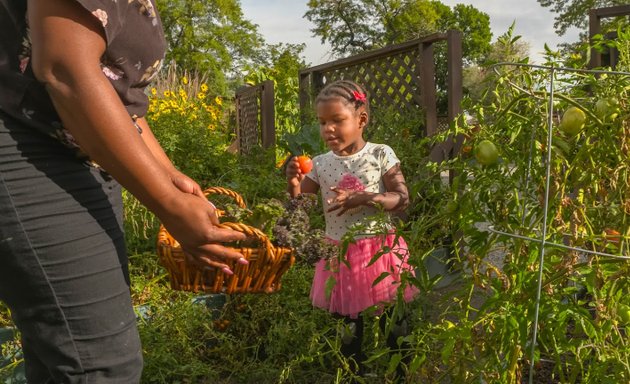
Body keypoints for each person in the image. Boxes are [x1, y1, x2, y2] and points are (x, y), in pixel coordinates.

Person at [0, 1, 248, 382]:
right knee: (100, 365)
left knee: (65, 354)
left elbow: (119, 100)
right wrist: (167, 204)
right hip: (24, 142)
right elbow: (67, 70)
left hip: (72, 151)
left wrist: (169, 177)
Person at [285, 79, 418, 378]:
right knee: (347, 323)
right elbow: (300, 205)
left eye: (337, 120)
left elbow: (402, 198)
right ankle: (352, 371)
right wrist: (293, 184)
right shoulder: (319, 164)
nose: (327, 129)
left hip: (381, 251)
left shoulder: (381, 154)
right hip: (339, 253)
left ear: (361, 120)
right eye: (322, 122)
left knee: (394, 320)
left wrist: (367, 198)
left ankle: (401, 371)